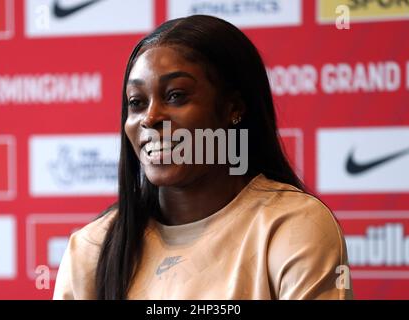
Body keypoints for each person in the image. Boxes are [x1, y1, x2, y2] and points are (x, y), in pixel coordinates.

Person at [53, 15, 353, 300]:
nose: (151, 117)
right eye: (136, 102)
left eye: (176, 96)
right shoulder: (93, 247)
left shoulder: (292, 225)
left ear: (233, 108)